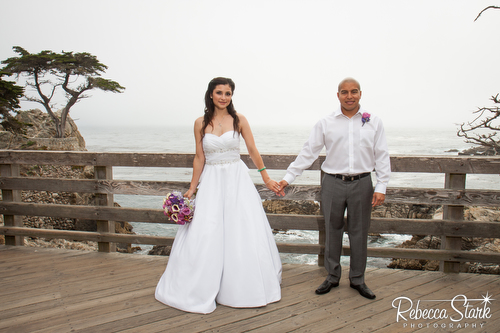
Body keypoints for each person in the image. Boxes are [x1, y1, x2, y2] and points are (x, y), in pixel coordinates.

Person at [155, 77, 282, 314]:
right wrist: (192, 188)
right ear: (211, 95)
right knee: (208, 230)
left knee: (241, 228)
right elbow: (199, 157)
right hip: (212, 181)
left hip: (237, 179)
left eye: (228, 93)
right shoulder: (200, 123)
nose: (224, 97)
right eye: (220, 92)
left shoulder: (239, 119)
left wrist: (265, 177)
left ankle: (241, 287)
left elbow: (252, 150)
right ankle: (200, 286)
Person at [279, 78, 390, 299]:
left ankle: (358, 279)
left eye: (354, 92)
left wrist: (382, 185)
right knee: (332, 230)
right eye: (344, 92)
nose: (349, 96)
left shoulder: (374, 121)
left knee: (359, 233)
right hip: (332, 183)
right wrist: (287, 178)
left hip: (362, 183)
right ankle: (332, 276)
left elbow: (382, 154)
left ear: (360, 94)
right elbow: (308, 152)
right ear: (337, 95)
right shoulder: (325, 122)